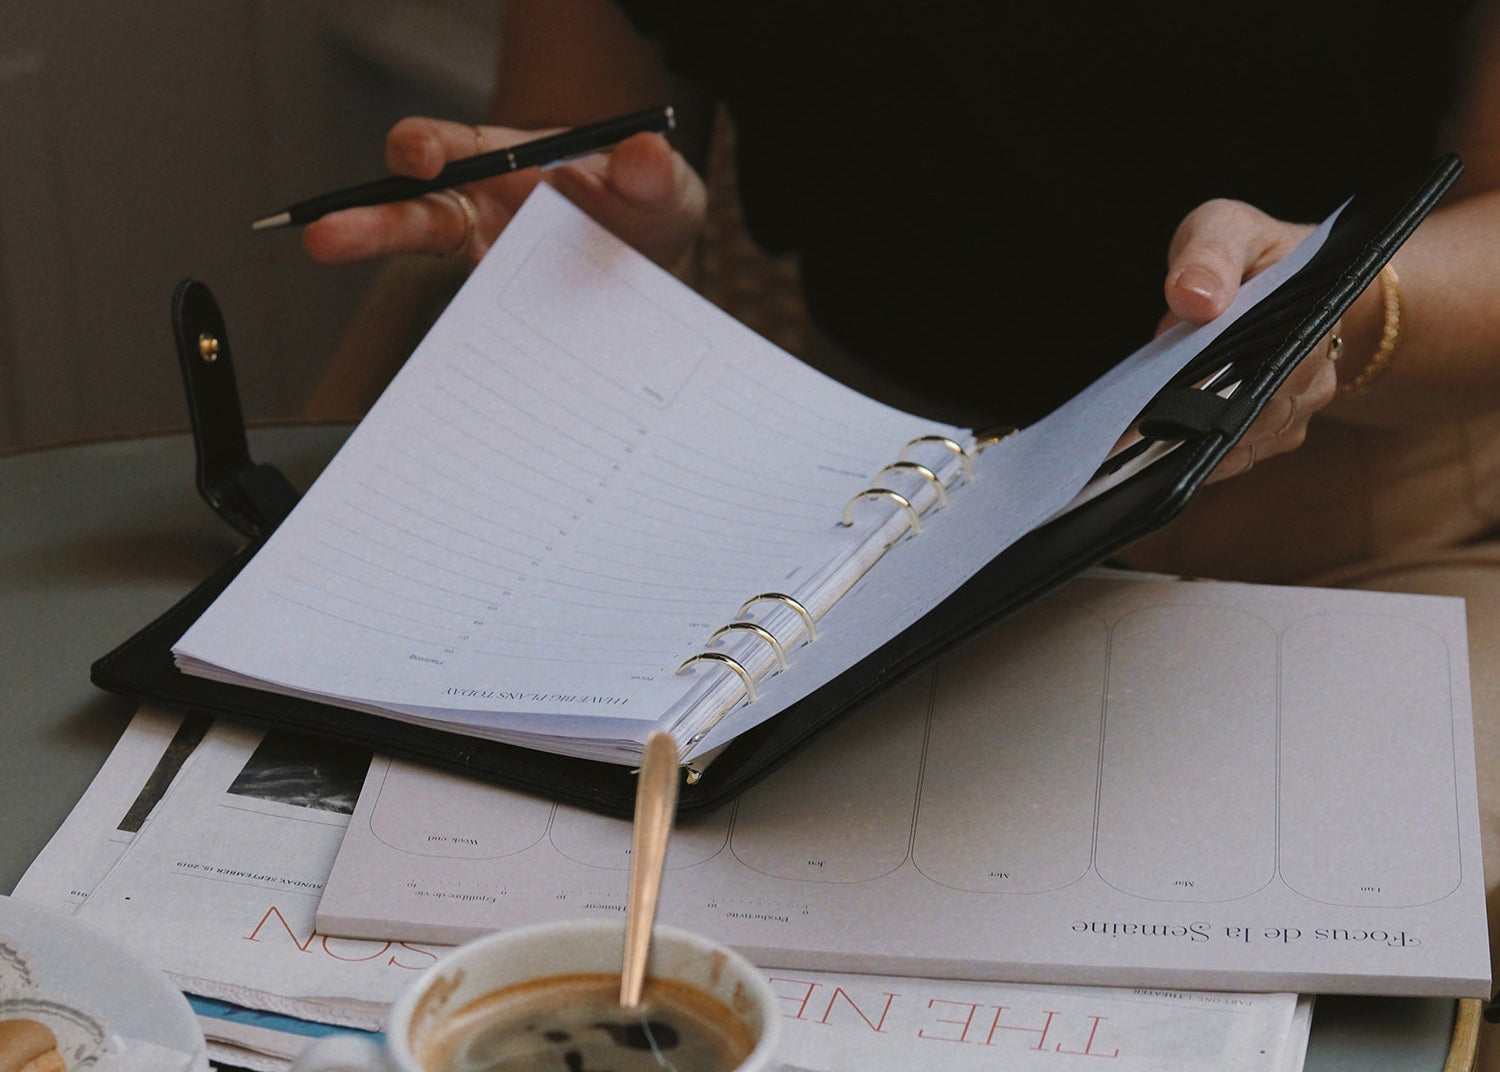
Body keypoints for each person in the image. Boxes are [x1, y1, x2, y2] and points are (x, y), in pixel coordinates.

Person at [303, 0, 1500, 1057]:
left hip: (1352, 530)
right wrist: (594, 243)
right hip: (853, 534)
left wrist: (1329, 312)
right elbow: (576, 126)